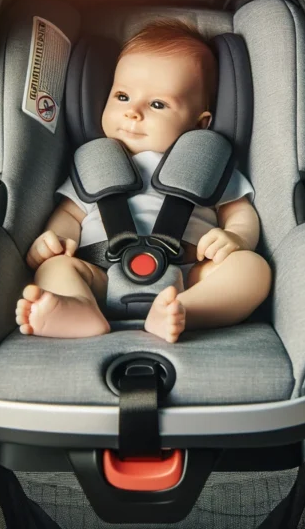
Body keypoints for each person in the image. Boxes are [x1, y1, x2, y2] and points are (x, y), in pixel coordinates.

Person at [15, 21, 271, 343]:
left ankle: (185, 311)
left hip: (191, 273)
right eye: (122, 96)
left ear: (199, 122)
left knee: (252, 269)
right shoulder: (95, 164)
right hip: (102, 273)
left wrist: (236, 237)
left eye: (157, 104)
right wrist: (55, 240)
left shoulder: (207, 164)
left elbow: (238, 210)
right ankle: (79, 308)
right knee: (56, 269)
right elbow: (70, 214)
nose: (132, 112)